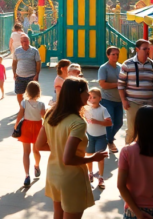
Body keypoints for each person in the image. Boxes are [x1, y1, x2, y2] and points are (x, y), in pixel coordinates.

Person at [36, 77, 108, 218]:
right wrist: (93, 158)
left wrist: (58, 146)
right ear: (77, 95)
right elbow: (68, 159)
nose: (88, 95)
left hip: (54, 174)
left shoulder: (51, 114)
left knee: (58, 213)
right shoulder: (78, 123)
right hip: (71, 179)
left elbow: (39, 145)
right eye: (86, 92)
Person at [119, 39, 153, 143]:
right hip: (132, 102)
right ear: (137, 49)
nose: (147, 51)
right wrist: (124, 100)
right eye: (144, 48)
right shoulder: (127, 64)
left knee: (148, 130)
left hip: (148, 103)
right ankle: (127, 155)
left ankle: (146, 154)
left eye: (149, 48)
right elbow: (121, 84)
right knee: (132, 130)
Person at [16, 81, 45, 186]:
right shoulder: (41, 104)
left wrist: (16, 125)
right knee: (36, 151)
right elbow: (44, 117)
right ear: (38, 91)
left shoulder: (24, 103)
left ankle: (27, 175)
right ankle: (36, 166)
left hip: (26, 127)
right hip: (38, 128)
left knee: (26, 152)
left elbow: (20, 115)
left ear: (27, 91)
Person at [85, 88, 111, 189]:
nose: (91, 99)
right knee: (89, 156)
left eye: (94, 97)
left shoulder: (103, 109)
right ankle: (90, 173)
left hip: (100, 137)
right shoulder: (86, 108)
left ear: (100, 98)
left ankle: (100, 177)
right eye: (90, 97)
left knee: (100, 157)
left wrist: (98, 122)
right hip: (89, 136)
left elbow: (109, 123)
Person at [98, 47, 123, 154]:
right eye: (113, 54)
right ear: (108, 55)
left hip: (119, 100)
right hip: (107, 99)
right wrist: (118, 84)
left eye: (117, 54)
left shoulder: (121, 67)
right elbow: (102, 84)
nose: (116, 56)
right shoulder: (103, 68)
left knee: (119, 123)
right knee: (110, 122)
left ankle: (108, 138)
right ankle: (110, 141)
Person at [13, 34, 41, 105]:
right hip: (19, 76)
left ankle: (32, 108)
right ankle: (21, 108)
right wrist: (14, 73)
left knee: (32, 94)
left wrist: (37, 74)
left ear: (28, 41)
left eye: (25, 41)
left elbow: (38, 62)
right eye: (22, 41)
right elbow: (14, 62)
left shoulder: (34, 51)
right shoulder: (17, 51)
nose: (24, 43)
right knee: (19, 93)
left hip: (31, 76)